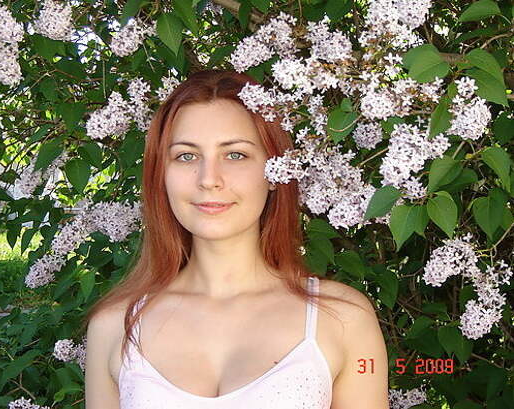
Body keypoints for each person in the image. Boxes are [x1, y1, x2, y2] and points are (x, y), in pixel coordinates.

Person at [83, 70, 389, 408]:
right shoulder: (113, 326)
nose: (209, 179)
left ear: (275, 172)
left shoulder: (344, 319)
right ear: (162, 174)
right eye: (186, 156)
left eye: (235, 155)